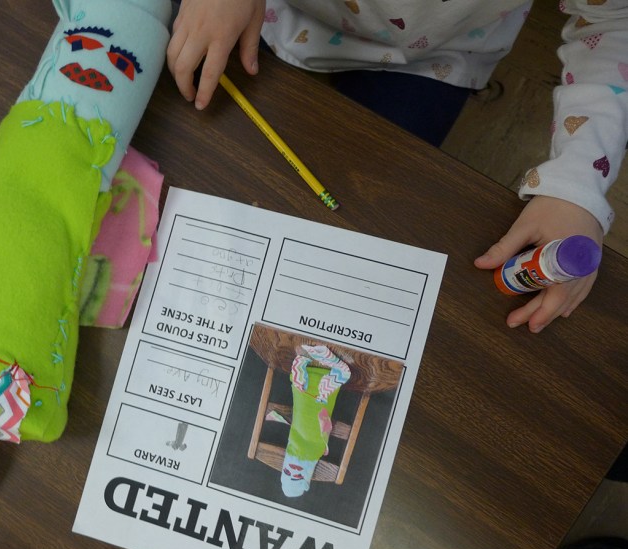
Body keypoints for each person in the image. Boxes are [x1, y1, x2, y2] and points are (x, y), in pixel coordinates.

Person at [166, 0, 627, 333]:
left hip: (433, 55)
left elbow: (613, 21)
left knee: (371, 224)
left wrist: (579, 181)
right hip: (265, 12)